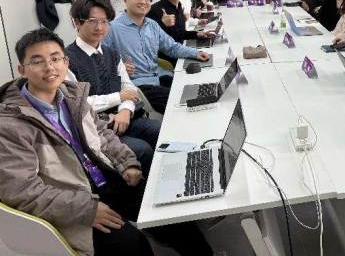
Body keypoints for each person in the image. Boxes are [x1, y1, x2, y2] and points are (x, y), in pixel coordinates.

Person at [0, 28, 213, 256]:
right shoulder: (10, 125)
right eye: (37, 62)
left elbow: (102, 133)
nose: (49, 67)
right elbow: (22, 191)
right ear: (22, 70)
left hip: (104, 177)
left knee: (169, 211)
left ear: (65, 62)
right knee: (132, 244)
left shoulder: (72, 95)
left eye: (55, 59)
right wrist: (86, 210)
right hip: (72, 198)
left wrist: (126, 162)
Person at [66, 0, 162, 176]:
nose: (99, 27)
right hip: (95, 128)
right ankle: (140, 190)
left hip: (122, 119)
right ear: (77, 22)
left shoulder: (111, 54)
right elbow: (78, 104)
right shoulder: (67, 61)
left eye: (104, 21)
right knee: (141, 150)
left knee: (159, 131)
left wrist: (125, 111)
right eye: (92, 21)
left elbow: (129, 88)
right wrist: (119, 98)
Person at [103, 0, 210, 114]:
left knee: (197, 89)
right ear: (125, 0)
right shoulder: (111, 29)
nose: (143, 2)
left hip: (159, 75)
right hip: (138, 85)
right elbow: (100, 65)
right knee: (185, 101)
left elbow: (171, 47)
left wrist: (195, 53)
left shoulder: (152, 25)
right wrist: (119, 70)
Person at [146, 0, 212, 65]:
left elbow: (180, 34)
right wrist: (163, 25)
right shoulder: (154, 11)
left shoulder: (179, 5)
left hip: (181, 52)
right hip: (168, 61)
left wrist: (197, 34)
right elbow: (155, 43)